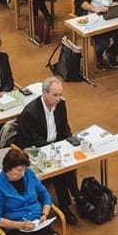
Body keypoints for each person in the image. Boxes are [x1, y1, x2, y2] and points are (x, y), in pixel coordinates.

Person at [14, 79, 83, 223]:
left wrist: (69, 141)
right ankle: (65, 205)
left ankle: (77, 196)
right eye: (55, 95)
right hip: (37, 150)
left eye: (60, 95)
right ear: (45, 93)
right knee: (60, 167)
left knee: (68, 161)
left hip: (57, 145)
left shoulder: (61, 104)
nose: (58, 99)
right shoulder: (30, 113)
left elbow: (64, 127)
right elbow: (30, 141)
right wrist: (53, 148)